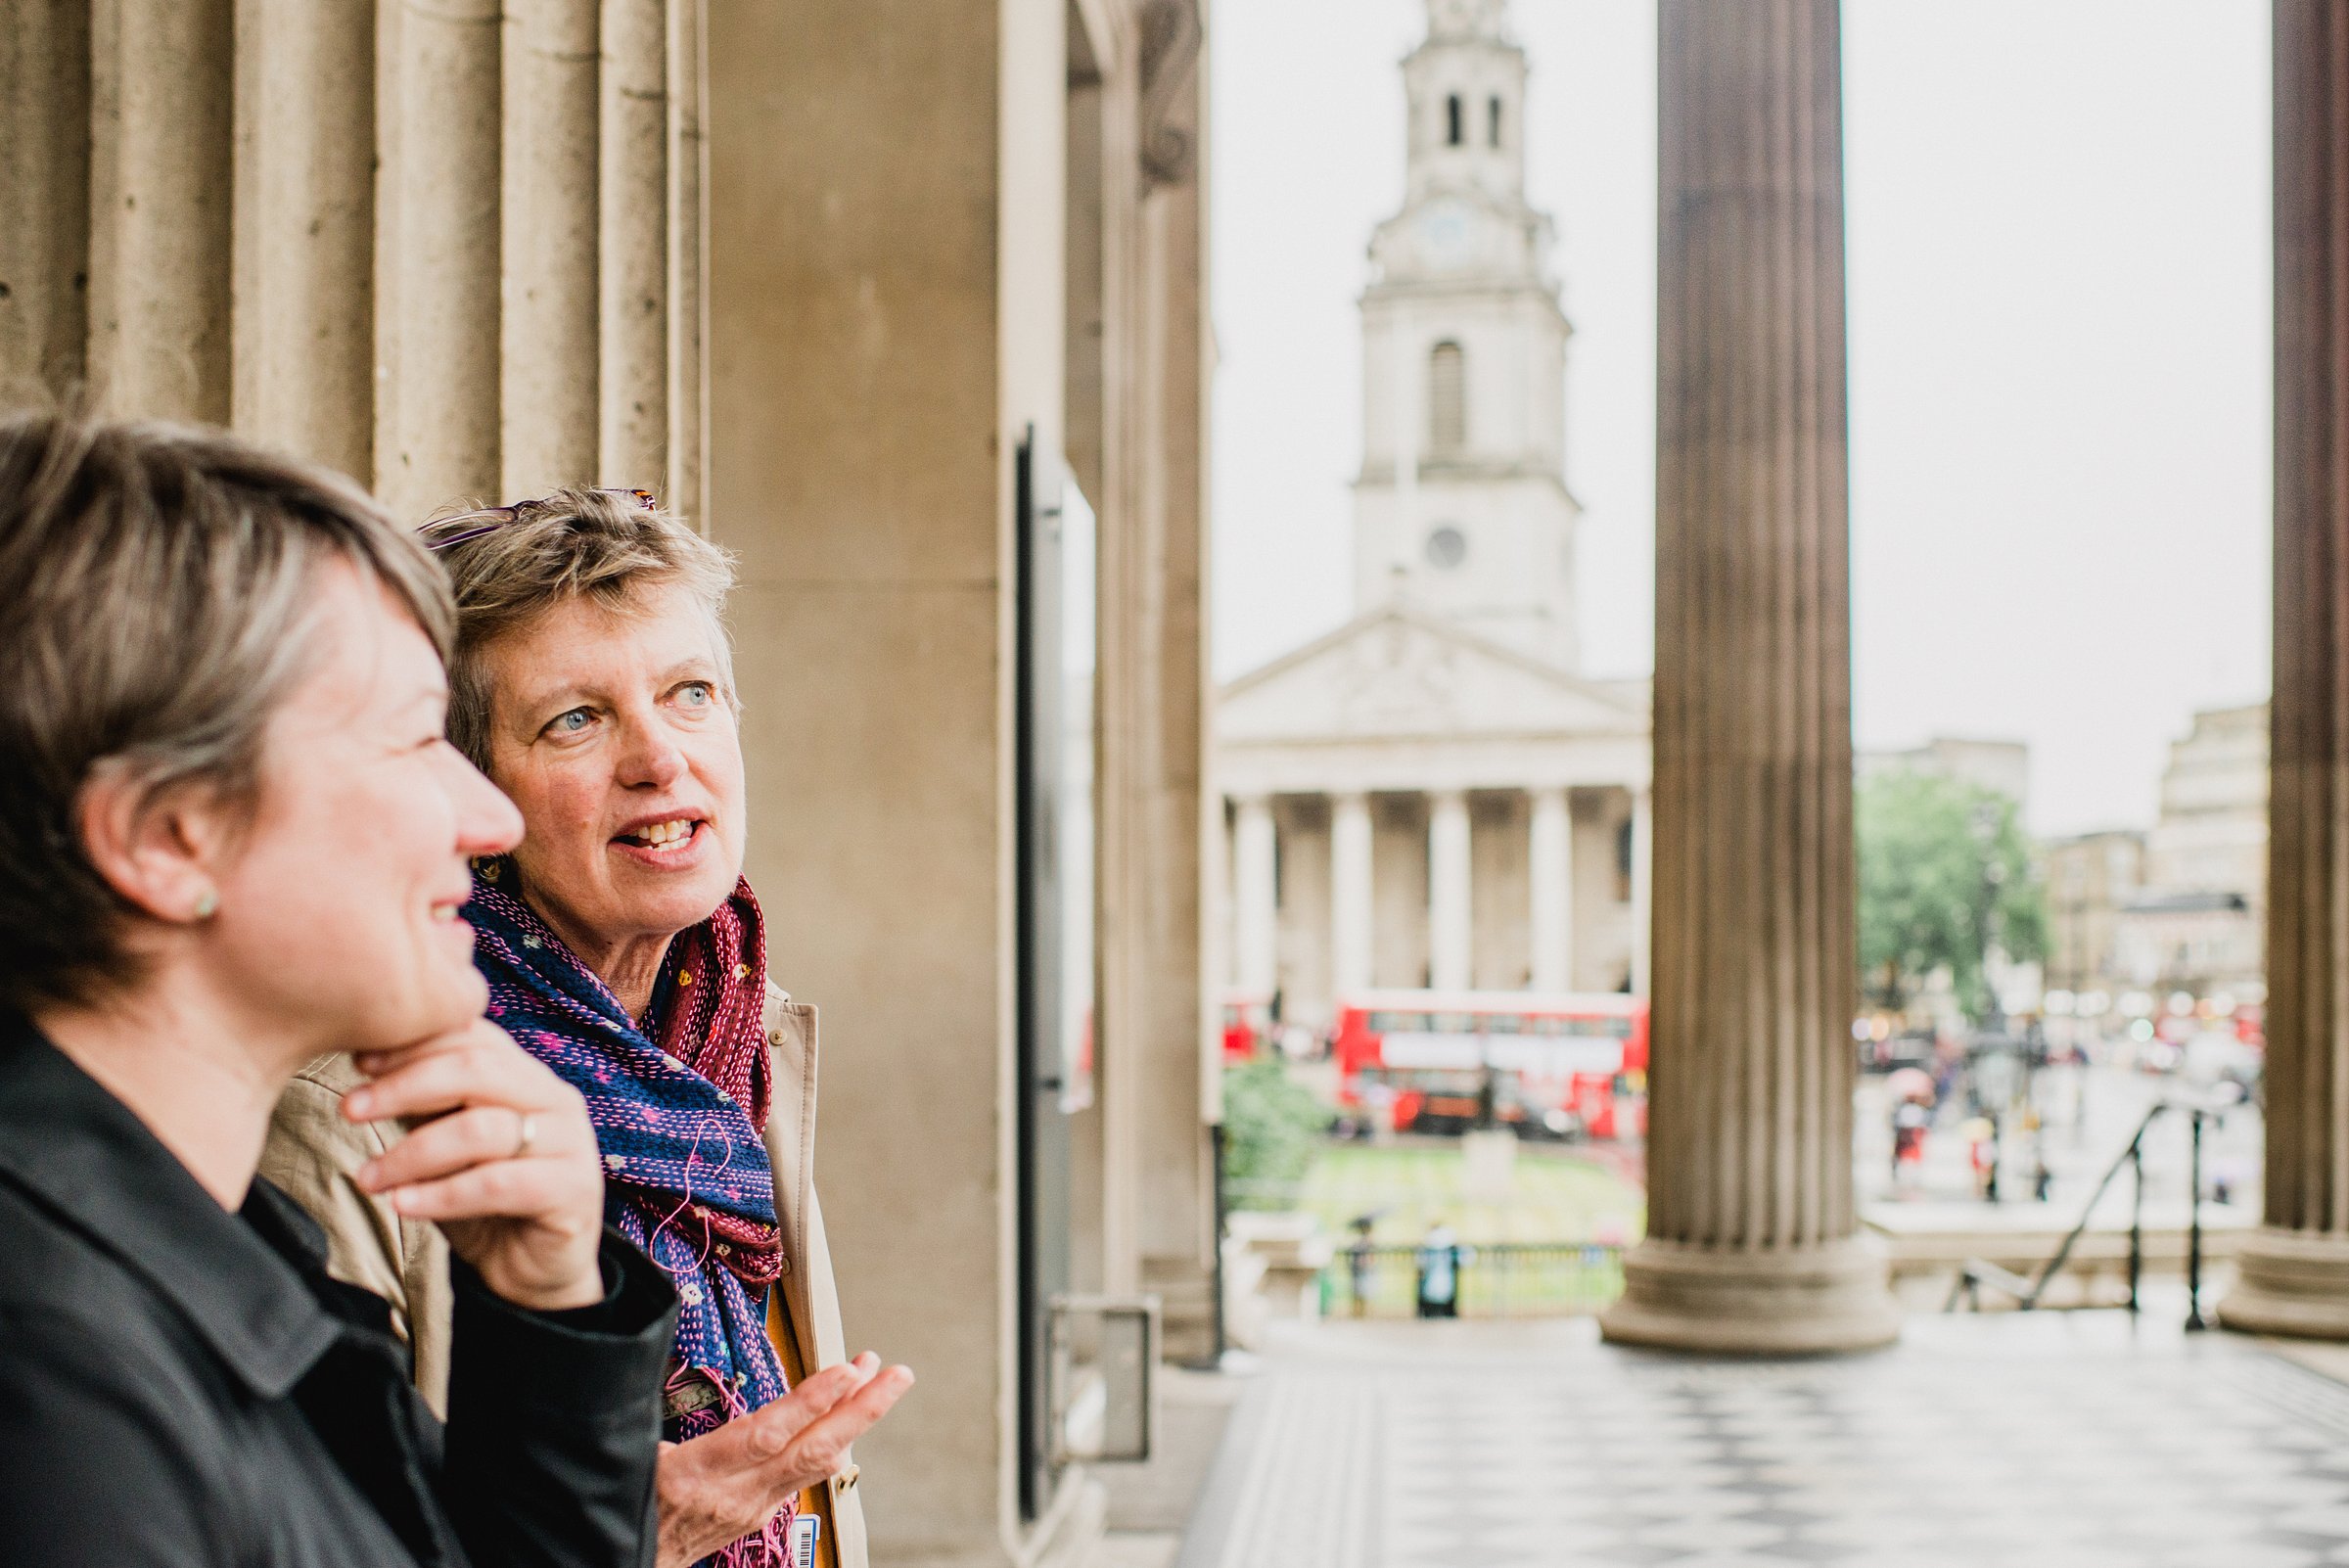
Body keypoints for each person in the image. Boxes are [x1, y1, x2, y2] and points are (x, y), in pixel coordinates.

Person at [0, 410, 696, 1562]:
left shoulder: (219, 1244)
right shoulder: (52, 1368)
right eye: (414, 740)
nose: (489, 819)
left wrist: (548, 1316)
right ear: (169, 836)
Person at [260, 486, 902, 1568]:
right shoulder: (358, 1113)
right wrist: (619, 1536)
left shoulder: (735, 1041)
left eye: (690, 694)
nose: (660, 759)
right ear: (469, 791)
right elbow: (304, 1535)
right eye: (576, 719)